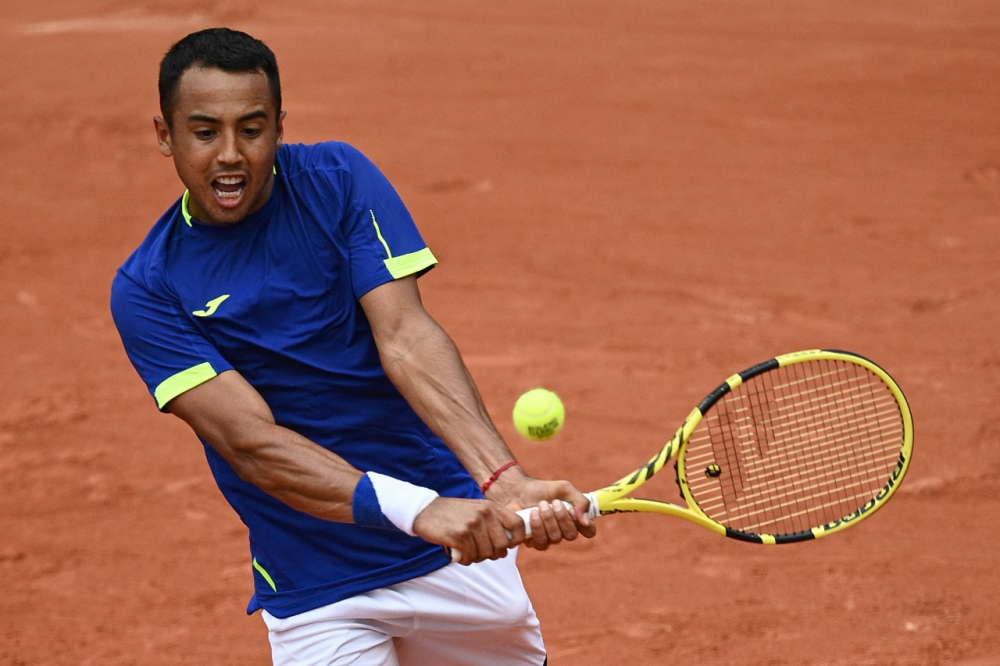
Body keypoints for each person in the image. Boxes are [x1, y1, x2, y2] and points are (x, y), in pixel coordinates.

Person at [110, 27, 596, 665]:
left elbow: (406, 336)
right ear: (164, 134)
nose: (230, 154)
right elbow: (250, 443)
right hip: (318, 586)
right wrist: (420, 510)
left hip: (452, 549)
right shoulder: (149, 287)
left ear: (279, 126)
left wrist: (500, 480)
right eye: (205, 132)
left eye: (252, 130)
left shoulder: (337, 179)